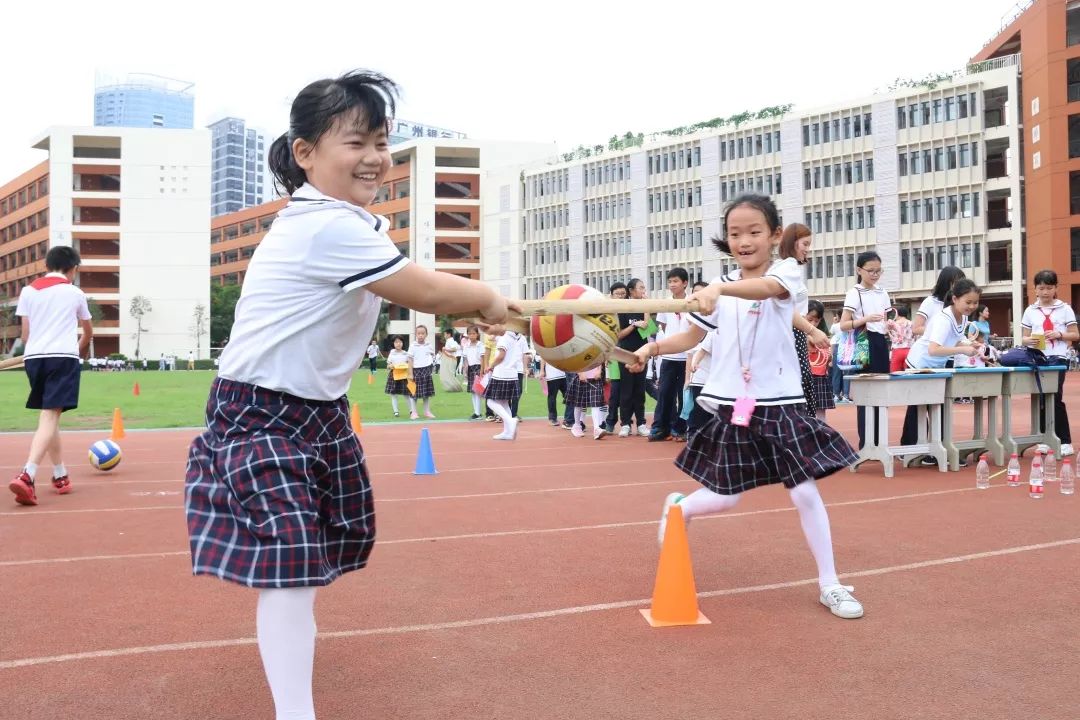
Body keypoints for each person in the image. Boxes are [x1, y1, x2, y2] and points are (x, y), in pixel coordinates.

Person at [183, 70, 512, 720]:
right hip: (261, 410)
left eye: (382, 142)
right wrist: (489, 300)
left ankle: (294, 647)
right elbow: (428, 292)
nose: (374, 158)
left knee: (313, 555)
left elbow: (414, 289)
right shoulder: (326, 226)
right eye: (356, 142)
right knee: (293, 560)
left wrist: (489, 310)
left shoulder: (348, 222)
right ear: (305, 152)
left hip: (316, 412)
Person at [630, 193, 863, 620]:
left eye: (755, 232)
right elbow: (693, 338)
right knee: (725, 497)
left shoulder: (787, 272)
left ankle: (831, 583)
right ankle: (680, 508)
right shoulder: (720, 290)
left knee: (805, 492)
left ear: (775, 235)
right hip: (733, 403)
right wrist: (651, 348)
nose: (744, 240)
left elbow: (768, 291)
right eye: (735, 233)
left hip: (780, 403)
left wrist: (717, 289)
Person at [9, 246, 93, 506]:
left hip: (34, 359)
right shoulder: (75, 292)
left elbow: (25, 336)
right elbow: (88, 333)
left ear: (47, 265)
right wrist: (78, 351)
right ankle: (28, 474)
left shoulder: (27, 291)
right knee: (50, 414)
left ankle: (60, 474)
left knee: (50, 414)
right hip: (62, 357)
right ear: (73, 268)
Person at [902, 278, 983, 464]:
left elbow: (956, 340)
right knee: (926, 409)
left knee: (936, 408)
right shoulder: (943, 319)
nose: (971, 306)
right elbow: (934, 349)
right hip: (919, 365)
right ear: (955, 299)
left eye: (975, 302)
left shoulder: (962, 318)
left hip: (934, 367)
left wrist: (971, 344)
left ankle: (933, 451)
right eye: (968, 302)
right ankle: (926, 451)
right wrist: (963, 349)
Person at [1022, 269, 1078, 457]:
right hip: (1037, 357)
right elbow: (1023, 338)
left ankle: (1065, 441)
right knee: (1039, 398)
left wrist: (1059, 334)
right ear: (1035, 289)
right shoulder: (1030, 310)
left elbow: (1075, 334)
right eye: (1041, 288)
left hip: (1057, 358)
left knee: (1054, 397)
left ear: (1055, 288)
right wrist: (1028, 341)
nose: (1045, 292)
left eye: (1049, 288)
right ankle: (1044, 439)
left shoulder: (1064, 308)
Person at [840, 251, 892, 449]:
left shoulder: (882, 292)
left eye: (878, 271)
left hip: (880, 341)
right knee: (867, 393)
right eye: (871, 271)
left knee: (882, 391)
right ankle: (867, 441)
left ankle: (880, 440)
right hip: (863, 341)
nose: (875, 274)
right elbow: (844, 325)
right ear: (859, 270)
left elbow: (887, 320)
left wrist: (891, 326)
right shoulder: (855, 292)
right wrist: (865, 319)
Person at [650, 268, 690, 442]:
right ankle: (661, 427)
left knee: (684, 394)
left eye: (675, 281)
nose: (672, 285)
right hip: (669, 356)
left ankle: (680, 428)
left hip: (687, 356)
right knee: (665, 393)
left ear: (685, 283)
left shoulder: (691, 301)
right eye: (670, 281)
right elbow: (663, 326)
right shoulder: (666, 303)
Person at [616, 278, 651, 437]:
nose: (643, 290)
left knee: (640, 390)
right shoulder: (623, 308)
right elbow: (619, 335)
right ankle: (625, 424)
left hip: (642, 353)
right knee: (626, 391)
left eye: (644, 287)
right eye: (640, 287)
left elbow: (647, 328)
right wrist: (633, 325)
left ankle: (642, 423)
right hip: (626, 355)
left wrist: (647, 308)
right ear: (631, 291)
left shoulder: (644, 307)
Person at [484, 327, 523, 440]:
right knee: (504, 403)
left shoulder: (504, 338)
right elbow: (492, 338)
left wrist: (491, 366)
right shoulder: (514, 338)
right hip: (512, 374)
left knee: (490, 401)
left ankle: (510, 421)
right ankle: (508, 432)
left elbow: (501, 355)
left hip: (501, 374)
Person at [461, 326, 486, 419]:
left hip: (478, 368)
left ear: (477, 334)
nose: (472, 336)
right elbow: (466, 360)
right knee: (472, 391)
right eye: (470, 334)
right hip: (471, 368)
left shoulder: (480, 345)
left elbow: (483, 358)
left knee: (478, 391)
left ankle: (478, 413)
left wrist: (482, 372)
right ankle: (476, 411)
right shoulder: (466, 345)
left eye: (474, 334)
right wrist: (465, 371)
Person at [384, 335, 411, 417]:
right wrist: (390, 366)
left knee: (406, 394)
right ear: (393, 343)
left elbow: (409, 364)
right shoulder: (392, 353)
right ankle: (396, 411)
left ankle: (411, 410)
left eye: (400, 342)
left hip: (404, 376)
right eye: (396, 342)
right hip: (394, 375)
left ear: (402, 343)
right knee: (393, 394)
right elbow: (388, 365)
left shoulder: (406, 353)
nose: (398, 344)